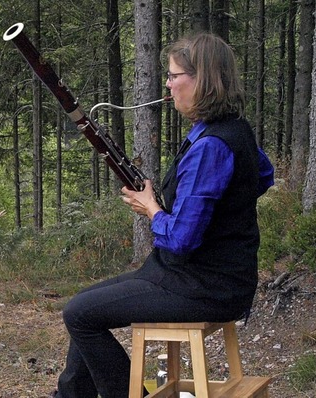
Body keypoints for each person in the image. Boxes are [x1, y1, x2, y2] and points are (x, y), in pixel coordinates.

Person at [50, 33, 275, 398]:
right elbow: (263, 176)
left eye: (173, 76)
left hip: (205, 287)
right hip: (202, 275)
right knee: (86, 303)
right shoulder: (235, 129)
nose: (168, 85)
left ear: (201, 80)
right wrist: (225, 210)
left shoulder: (210, 146)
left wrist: (151, 208)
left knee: (79, 314)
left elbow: (182, 239)